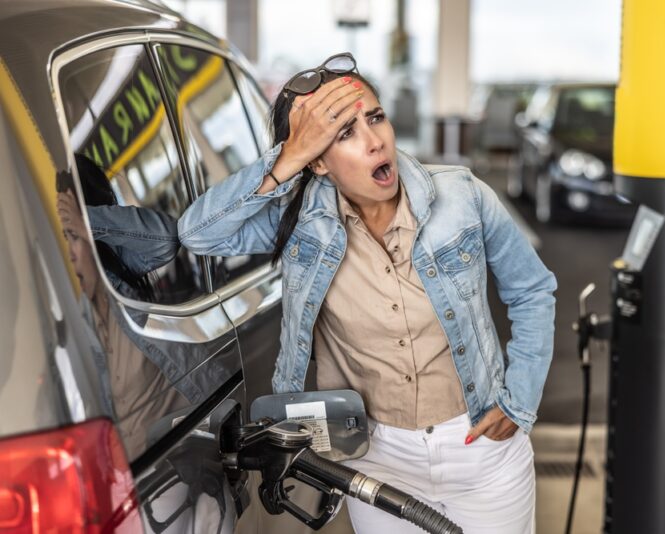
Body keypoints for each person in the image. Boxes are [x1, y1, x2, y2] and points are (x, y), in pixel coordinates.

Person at [178, 52, 556, 533]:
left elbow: (532, 289)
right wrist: (289, 157)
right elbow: (198, 234)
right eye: (343, 133)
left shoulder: (463, 196)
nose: (375, 141)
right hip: (378, 459)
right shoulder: (298, 226)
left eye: (375, 118)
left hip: (481, 449)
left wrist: (518, 401)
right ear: (317, 161)